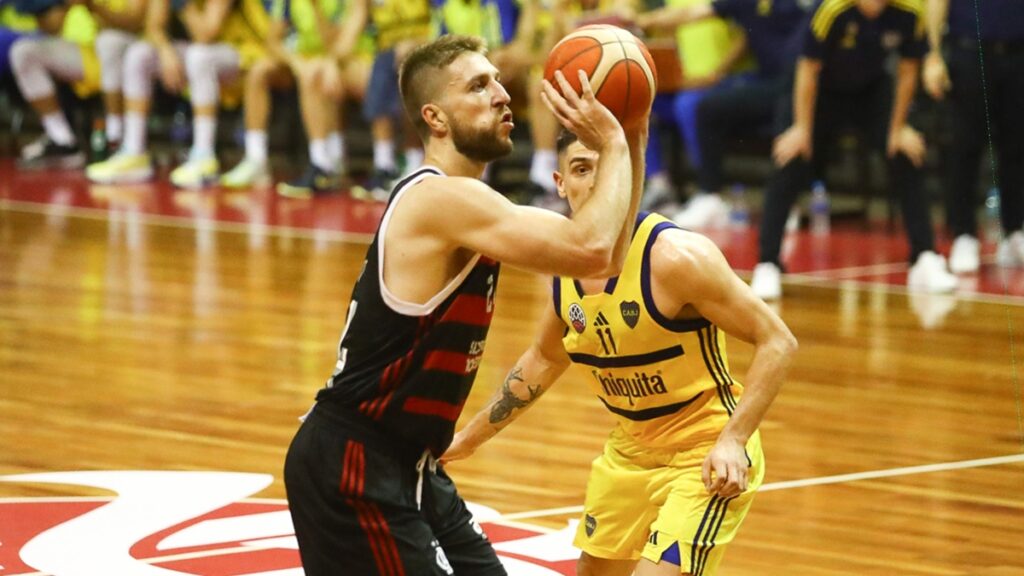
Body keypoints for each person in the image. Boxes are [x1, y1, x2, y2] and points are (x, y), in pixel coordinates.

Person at [283, 34, 649, 575]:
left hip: (411, 464)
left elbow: (611, 257)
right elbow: (590, 249)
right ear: (435, 117)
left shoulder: (473, 204)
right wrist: (614, 145)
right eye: (479, 85)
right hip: (354, 462)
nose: (502, 94)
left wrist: (634, 135)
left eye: (498, 80)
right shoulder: (440, 199)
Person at [443, 129, 798, 576]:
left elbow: (778, 340)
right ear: (559, 183)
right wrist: (464, 440)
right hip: (629, 453)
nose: (592, 183)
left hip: (702, 452)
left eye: (603, 168)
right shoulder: (564, 266)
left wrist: (734, 439)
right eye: (580, 169)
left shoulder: (676, 258)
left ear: (625, 178)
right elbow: (545, 359)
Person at [748, 0, 957, 300]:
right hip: (819, 90)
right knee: (789, 156)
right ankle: (768, 263)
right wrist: (802, 130)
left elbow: (908, 69)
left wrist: (897, 129)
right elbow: (808, 69)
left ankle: (924, 257)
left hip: (869, 92)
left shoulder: (910, 12)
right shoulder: (832, 10)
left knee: (905, 152)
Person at [636, 0, 809, 226]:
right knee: (708, 107)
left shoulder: (800, 6)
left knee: (785, 114)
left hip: (801, 84)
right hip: (766, 81)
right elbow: (693, 13)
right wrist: (645, 20)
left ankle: (787, 202)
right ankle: (710, 196)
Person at [923, 0, 1024, 273]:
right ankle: (963, 234)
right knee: (964, 147)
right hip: (969, 48)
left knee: (1017, 147)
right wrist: (932, 53)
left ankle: (1015, 230)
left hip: (1017, 52)